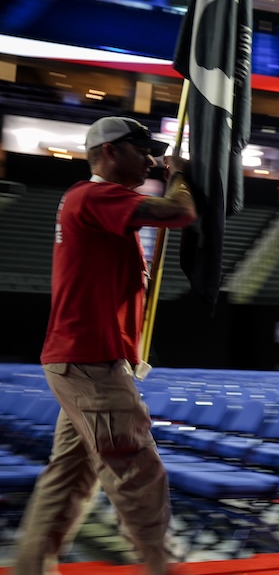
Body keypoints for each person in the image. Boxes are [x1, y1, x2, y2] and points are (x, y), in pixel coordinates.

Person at [15, 116, 196, 575]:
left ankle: (31, 566)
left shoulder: (89, 200)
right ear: (111, 152)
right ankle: (162, 566)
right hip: (90, 362)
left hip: (78, 360)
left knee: (70, 477)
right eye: (142, 150)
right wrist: (180, 176)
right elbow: (179, 212)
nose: (152, 159)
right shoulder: (96, 195)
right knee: (138, 470)